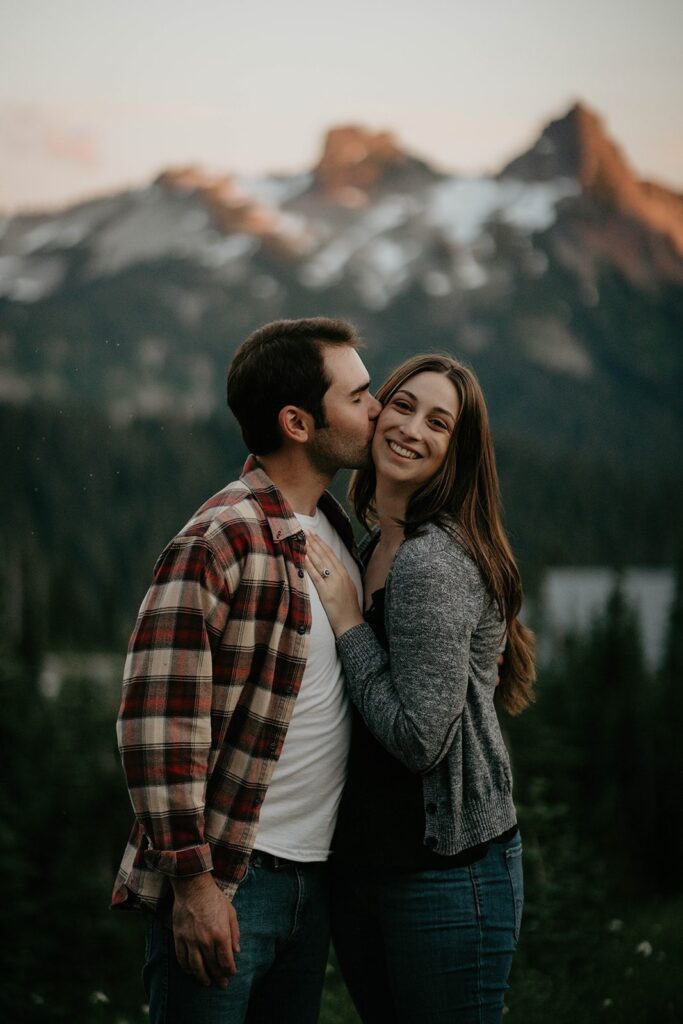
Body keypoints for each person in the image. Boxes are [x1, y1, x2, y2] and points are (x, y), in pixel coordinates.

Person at [112, 316, 381, 1024]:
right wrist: (196, 887)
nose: (377, 409)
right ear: (298, 422)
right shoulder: (221, 536)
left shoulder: (331, 526)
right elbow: (155, 725)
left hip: (311, 879)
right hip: (232, 880)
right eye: (358, 397)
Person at [304, 353, 536, 1024]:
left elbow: (417, 741)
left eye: (437, 422)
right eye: (401, 405)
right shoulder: (375, 541)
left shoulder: (430, 563)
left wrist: (349, 622)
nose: (410, 428)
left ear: (455, 452)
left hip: (445, 874)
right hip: (371, 870)